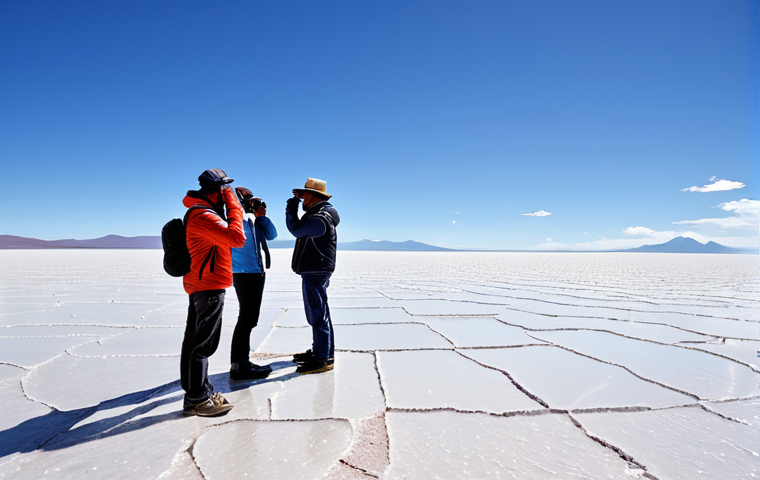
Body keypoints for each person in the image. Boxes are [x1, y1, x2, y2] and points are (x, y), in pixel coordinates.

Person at [180, 168, 245, 416]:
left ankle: (197, 392)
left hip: (203, 283)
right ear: (217, 191)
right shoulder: (203, 216)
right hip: (208, 286)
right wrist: (234, 204)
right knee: (204, 345)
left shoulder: (202, 213)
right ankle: (198, 398)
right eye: (224, 189)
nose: (228, 193)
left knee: (195, 342)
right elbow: (237, 237)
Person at [286, 177, 340, 375]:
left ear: (314, 196)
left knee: (318, 315)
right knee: (318, 313)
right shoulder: (319, 214)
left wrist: (291, 205)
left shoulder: (319, 218)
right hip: (315, 270)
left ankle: (323, 359)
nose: (302, 200)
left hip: (315, 270)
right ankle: (323, 352)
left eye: (304, 195)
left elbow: (295, 229)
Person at [229, 187, 278, 380]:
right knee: (246, 318)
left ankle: (241, 363)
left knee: (250, 319)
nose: (252, 203)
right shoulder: (235, 218)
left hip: (256, 272)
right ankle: (239, 365)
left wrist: (262, 217)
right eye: (250, 199)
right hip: (243, 273)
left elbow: (272, 235)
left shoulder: (252, 221)